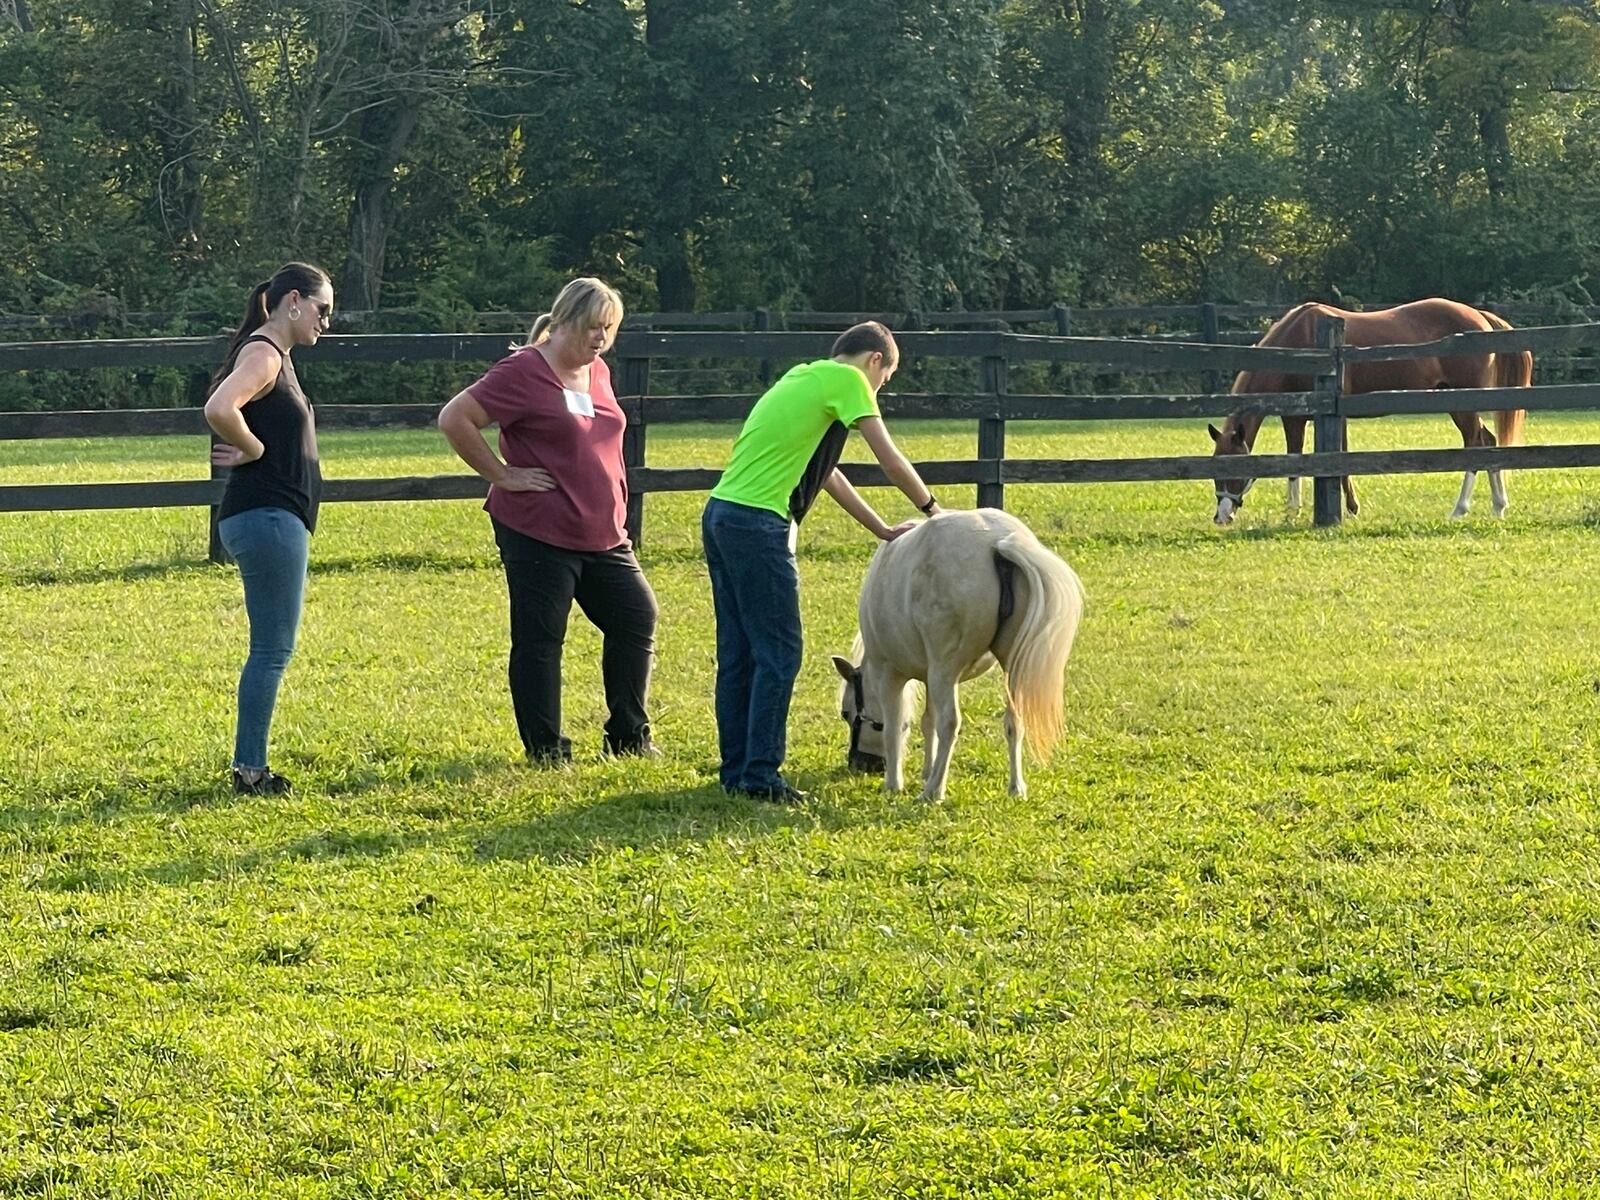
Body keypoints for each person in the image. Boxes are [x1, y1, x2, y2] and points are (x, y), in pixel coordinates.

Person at [702, 320, 944, 802]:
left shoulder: (800, 378)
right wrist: (933, 510)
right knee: (779, 654)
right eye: (886, 379)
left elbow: (825, 472)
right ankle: (761, 777)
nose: (879, 390)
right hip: (759, 524)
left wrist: (879, 528)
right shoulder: (850, 380)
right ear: (876, 360)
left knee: (739, 654)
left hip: (721, 515)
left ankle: (736, 770)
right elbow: (889, 459)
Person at [438, 277, 658, 764]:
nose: (600, 339)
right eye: (592, 327)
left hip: (603, 533)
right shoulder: (523, 371)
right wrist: (502, 474)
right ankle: (546, 748)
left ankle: (628, 736)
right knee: (541, 638)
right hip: (539, 529)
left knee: (636, 618)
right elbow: (455, 418)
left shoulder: (597, 371)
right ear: (563, 322)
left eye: (609, 328)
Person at [204, 261, 333, 795]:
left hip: (271, 518)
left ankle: (250, 764)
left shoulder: (276, 356)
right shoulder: (263, 353)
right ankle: (251, 771)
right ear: (294, 301)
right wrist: (254, 449)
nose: (326, 321)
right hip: (268, 518)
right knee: (272, 649)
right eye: (322, 310)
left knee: (272, 646)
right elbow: (219, 407)